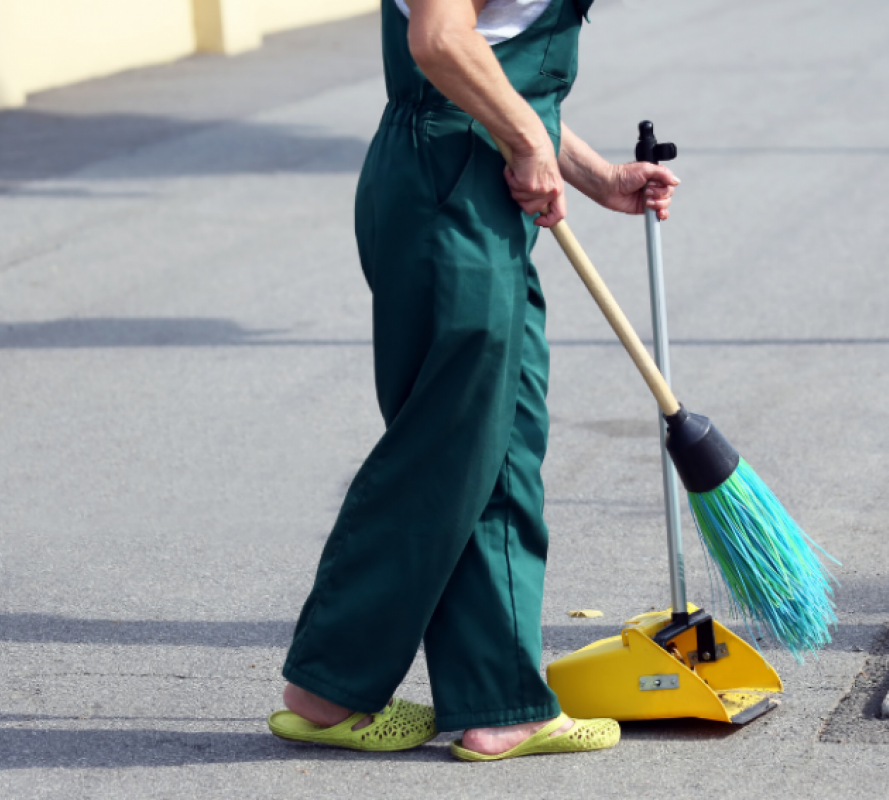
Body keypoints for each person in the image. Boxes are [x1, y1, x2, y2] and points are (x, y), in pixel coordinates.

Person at [267, 0, 679, 761]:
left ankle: (503, 703)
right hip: (447, 190)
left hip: (477, 183)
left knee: (504, 441)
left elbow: (490, 62)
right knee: (447, 446)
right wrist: (529, 142)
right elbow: (441, 40)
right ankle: (327, 689)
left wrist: (595, 174)